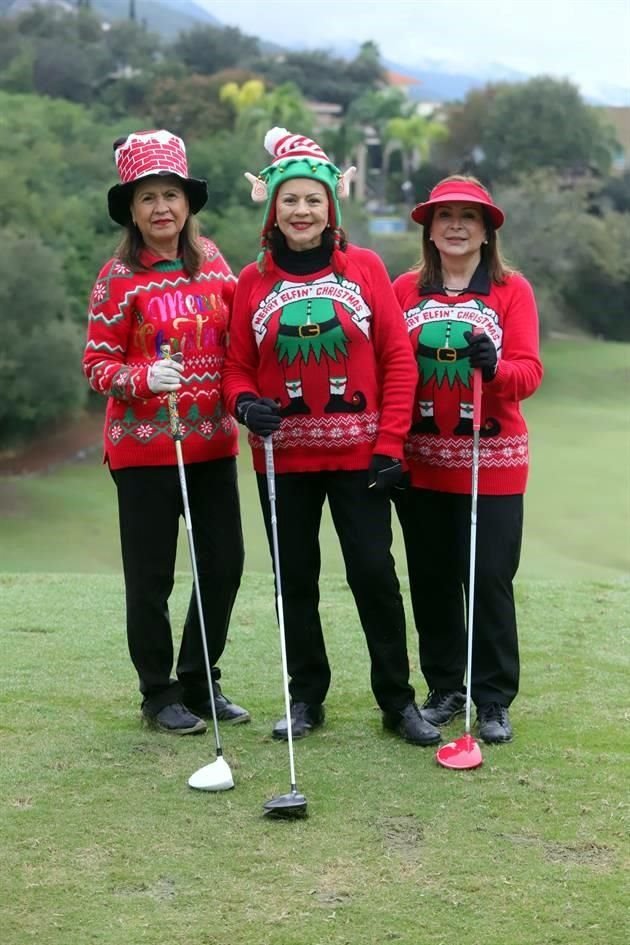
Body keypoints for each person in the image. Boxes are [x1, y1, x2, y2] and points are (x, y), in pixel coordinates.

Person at [222, 127, 440, 747]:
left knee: (374, 573)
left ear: (331, 208)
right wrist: (243, 403)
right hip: (282, 460)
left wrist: (391, 444)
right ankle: (305, 697)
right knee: (295, 581)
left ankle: (398, 702)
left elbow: (400, 360)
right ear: (274, 210)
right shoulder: (252, 281)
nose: (302, 211)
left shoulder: (366, 268)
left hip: (360, 459)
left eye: (313, 200)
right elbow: (237, 365)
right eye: (290, 200)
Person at [82, 129, 249, 735]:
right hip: (144, 451)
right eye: (148, 197)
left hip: (211, 444)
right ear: (131, 208)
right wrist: (143, 376)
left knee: (223, 563)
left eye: (171, 195)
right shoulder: (116, 277)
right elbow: (97, 365)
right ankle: (159, 693)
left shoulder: (219, 265)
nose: (161, 208)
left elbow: (242, 340)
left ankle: (202, 679)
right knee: (151, 577)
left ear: (189, 205)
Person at [392, 174, 543, 744]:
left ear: (486, 232)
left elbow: (528, 372)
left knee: (489, 581)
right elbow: (389, 368)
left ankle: (493, 699)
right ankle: (446, 689)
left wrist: (496, 367)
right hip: (423, 462)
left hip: (493, 461)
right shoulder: (404, 288)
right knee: (431, 580)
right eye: (445, 216)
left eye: (469, 217)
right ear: (429, 229)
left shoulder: (511, 290)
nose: (456, 225)